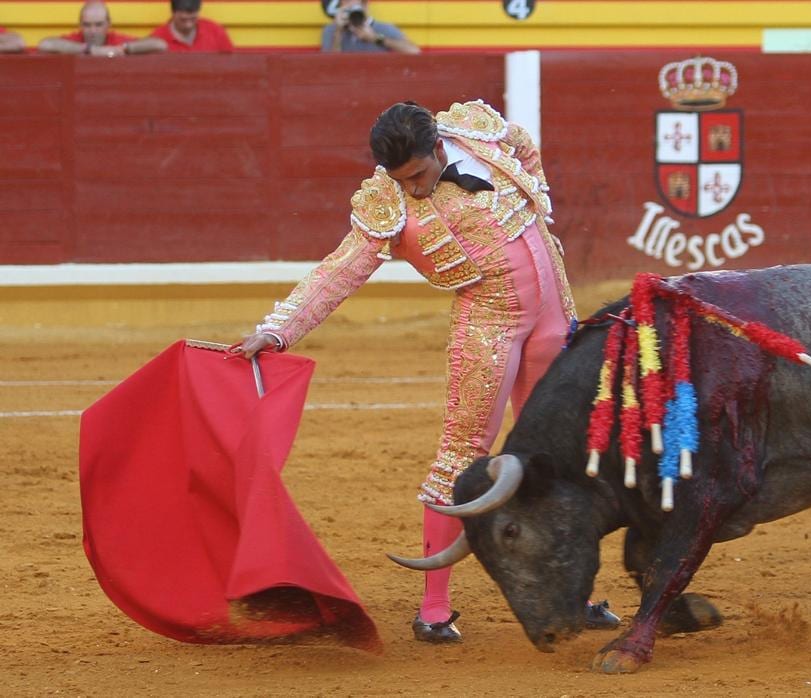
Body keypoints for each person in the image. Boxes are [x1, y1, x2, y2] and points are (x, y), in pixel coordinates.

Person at [231, 100, 619, 643]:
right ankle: (434, 609)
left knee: (561, 455)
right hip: (490, 325)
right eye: (402, 180)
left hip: (554, 312)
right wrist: (278, 330)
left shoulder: (475, 132)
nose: (412, 189)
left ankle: (574, 594)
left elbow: (524, 143)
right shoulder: (388, 205)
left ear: (437, 148)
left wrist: (538, 201)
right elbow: (337, 273)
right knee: (461, 457)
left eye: (417, 175)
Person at [38, 2, 167, 57]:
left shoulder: (116, 40)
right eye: (87, 25)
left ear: (108, 25)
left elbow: (159, 44)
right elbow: (45, 44)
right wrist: (89, 49)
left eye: (98, 25)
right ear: (80, 25)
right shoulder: (76, 39)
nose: (93, 31)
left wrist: (123, 48)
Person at [321, 0, 419, 54]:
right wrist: (338, 32)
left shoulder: (384, 28)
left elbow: (414, 51)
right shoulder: (331, 31)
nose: (349, 5)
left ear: (365, 4)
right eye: (345, 1)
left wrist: (375, 38)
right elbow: (329, 66)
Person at [150, 0, 233, 53]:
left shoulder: (214, 31)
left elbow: (230, 63)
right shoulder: (158, 36)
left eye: (192, 13)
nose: (188, 18)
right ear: (173, 13)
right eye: (183, 13)